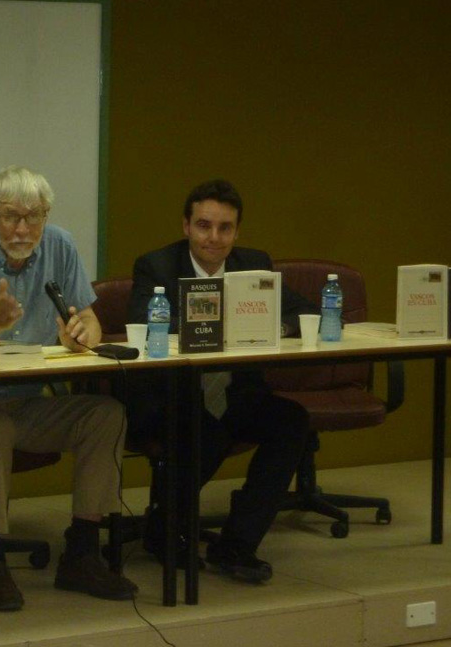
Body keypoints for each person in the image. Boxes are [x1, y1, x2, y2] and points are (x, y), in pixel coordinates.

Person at [0, 166, 137, 611]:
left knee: (105, 414)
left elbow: (92, 319)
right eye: (10, 217)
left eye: (34, 216)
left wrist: (84, 334)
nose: (23, 229)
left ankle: (82, 550)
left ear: (46, 215)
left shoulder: (60, 245)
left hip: (28, 401)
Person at [127, 179, 315, 582]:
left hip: (234, 391)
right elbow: (144, 321)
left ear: (237, 231)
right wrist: (223, 324)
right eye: (204, 226)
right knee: (207, 432)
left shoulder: (255, 264)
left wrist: (273, 325)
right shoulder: (156, 265)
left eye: (225, 228)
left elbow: (305, 312)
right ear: (186, 226)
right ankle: (163, 529)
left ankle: (237, 544)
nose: (214, 238)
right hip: (171, 396)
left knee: (291, 420)